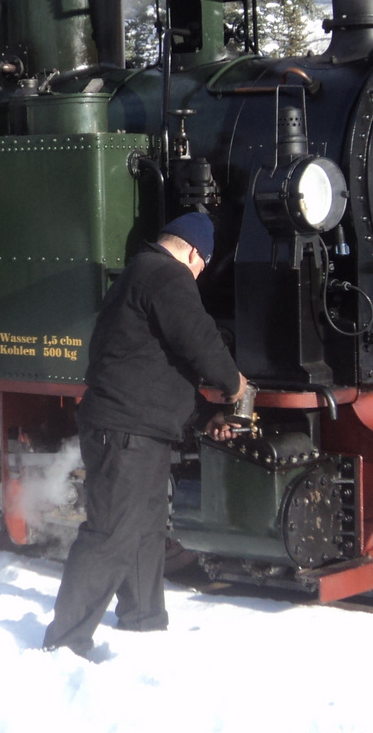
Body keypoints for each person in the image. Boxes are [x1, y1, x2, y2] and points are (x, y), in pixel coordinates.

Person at [43, 212, 247, 657]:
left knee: (145, 529)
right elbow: (198, 339)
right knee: (112, 532)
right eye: (201, 265)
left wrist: (204, 415)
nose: (198, 274)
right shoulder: (165, 274)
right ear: (194, 252)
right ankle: (65, 641)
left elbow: (154, 369)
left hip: (135, 428)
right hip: (124, 430)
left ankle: (143, 620)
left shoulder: (140, 274)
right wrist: (235, 385)